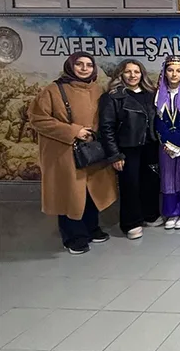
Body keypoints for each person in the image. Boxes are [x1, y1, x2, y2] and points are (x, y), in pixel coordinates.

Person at [28, 52, 118, 254]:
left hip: (92, 150)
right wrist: (73, 131)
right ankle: (73, 237)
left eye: (89, 65)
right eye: (79, 64)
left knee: (92, 191)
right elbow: (37, 119)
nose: (84, 68)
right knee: (70, 194)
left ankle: (91, 228)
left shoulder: (97, 90)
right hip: (65, 152)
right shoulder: (53, 90)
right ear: (70, 66)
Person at [99, 59, 160, 240]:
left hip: (150, 145)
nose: (133, 75)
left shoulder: (151, 94)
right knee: (130, 185)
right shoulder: (113, 97)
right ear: (121, 74)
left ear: (142, 74)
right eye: (128, 72)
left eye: (136, 72)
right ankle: (131, 222)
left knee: (151, 182)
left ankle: (150, 215)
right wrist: (115, 154)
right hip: (128, 147)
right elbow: (107, 128)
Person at [153, 56, 180, 230]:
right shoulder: (159, 93)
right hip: (165, 145)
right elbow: (158, 121)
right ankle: (171, 212)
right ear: (165, 72)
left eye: (178, 71)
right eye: (170, 70)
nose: (174, 74)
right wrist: (165, 141)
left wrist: (178, 142)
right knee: (168, 178)